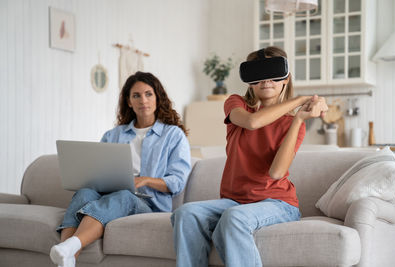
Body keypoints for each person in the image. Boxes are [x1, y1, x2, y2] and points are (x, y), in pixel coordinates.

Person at [171, 46, 328, 267]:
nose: (266, 81)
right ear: (249, 81)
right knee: (186, 213)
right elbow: (253, 122)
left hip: (277, 203)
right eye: (258, 76)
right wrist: (300, 99)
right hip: (233, 201)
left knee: (234, 217)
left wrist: (299, 119)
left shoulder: (292, 124)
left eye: (273, 75)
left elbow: (277, 172)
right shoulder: (236, 105)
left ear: (285, 79)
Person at [50, 71, 191, 267]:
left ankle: (68, 247)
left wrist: (145, 180)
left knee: (124, 195)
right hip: (108, 194)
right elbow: (97, 170)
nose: (143, 100)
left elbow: (177, 181)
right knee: (84, 193)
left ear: (158, 98)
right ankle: (66, 258)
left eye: (148, 94)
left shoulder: (173, 135)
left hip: (148, 203)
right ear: (129, 101)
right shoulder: (113, 135)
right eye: (136, 95)